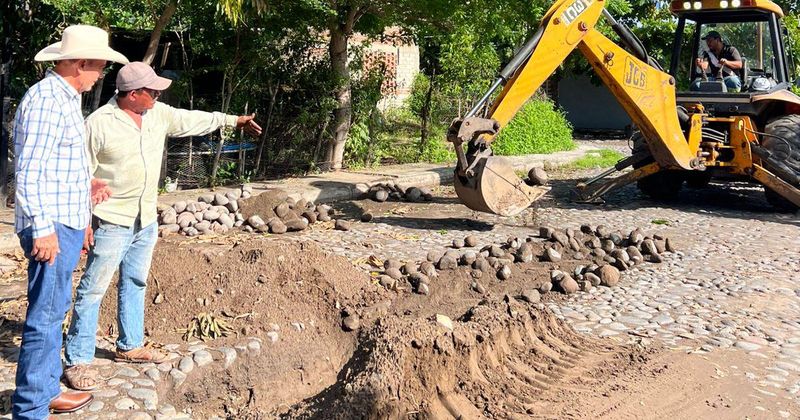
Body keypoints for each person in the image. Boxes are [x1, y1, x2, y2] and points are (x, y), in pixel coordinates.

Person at [62, 61, 262, 390]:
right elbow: (80, 174)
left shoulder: (158, 114)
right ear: (132, 94)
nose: (157, 94)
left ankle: (130, 345)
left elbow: (192, 118)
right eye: (151, 91)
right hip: (113, 220)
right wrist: (83, 220)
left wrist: (234, 120)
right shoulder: (98, 124)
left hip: (145, 217)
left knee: (136, 281)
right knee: (93, 289)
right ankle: (79, 359)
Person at [12, 25, 128, 419]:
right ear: (80, 64)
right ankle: (31, 408)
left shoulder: (63, 99)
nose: (101, 75)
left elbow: (53, 166)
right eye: (98, 67)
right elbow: (29, 171)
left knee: (53, 311)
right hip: (51, 224)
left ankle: (42, 393)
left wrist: (86, 184)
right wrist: (43, 229)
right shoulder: (47, 100)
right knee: (45, 318)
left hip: (63, 220)